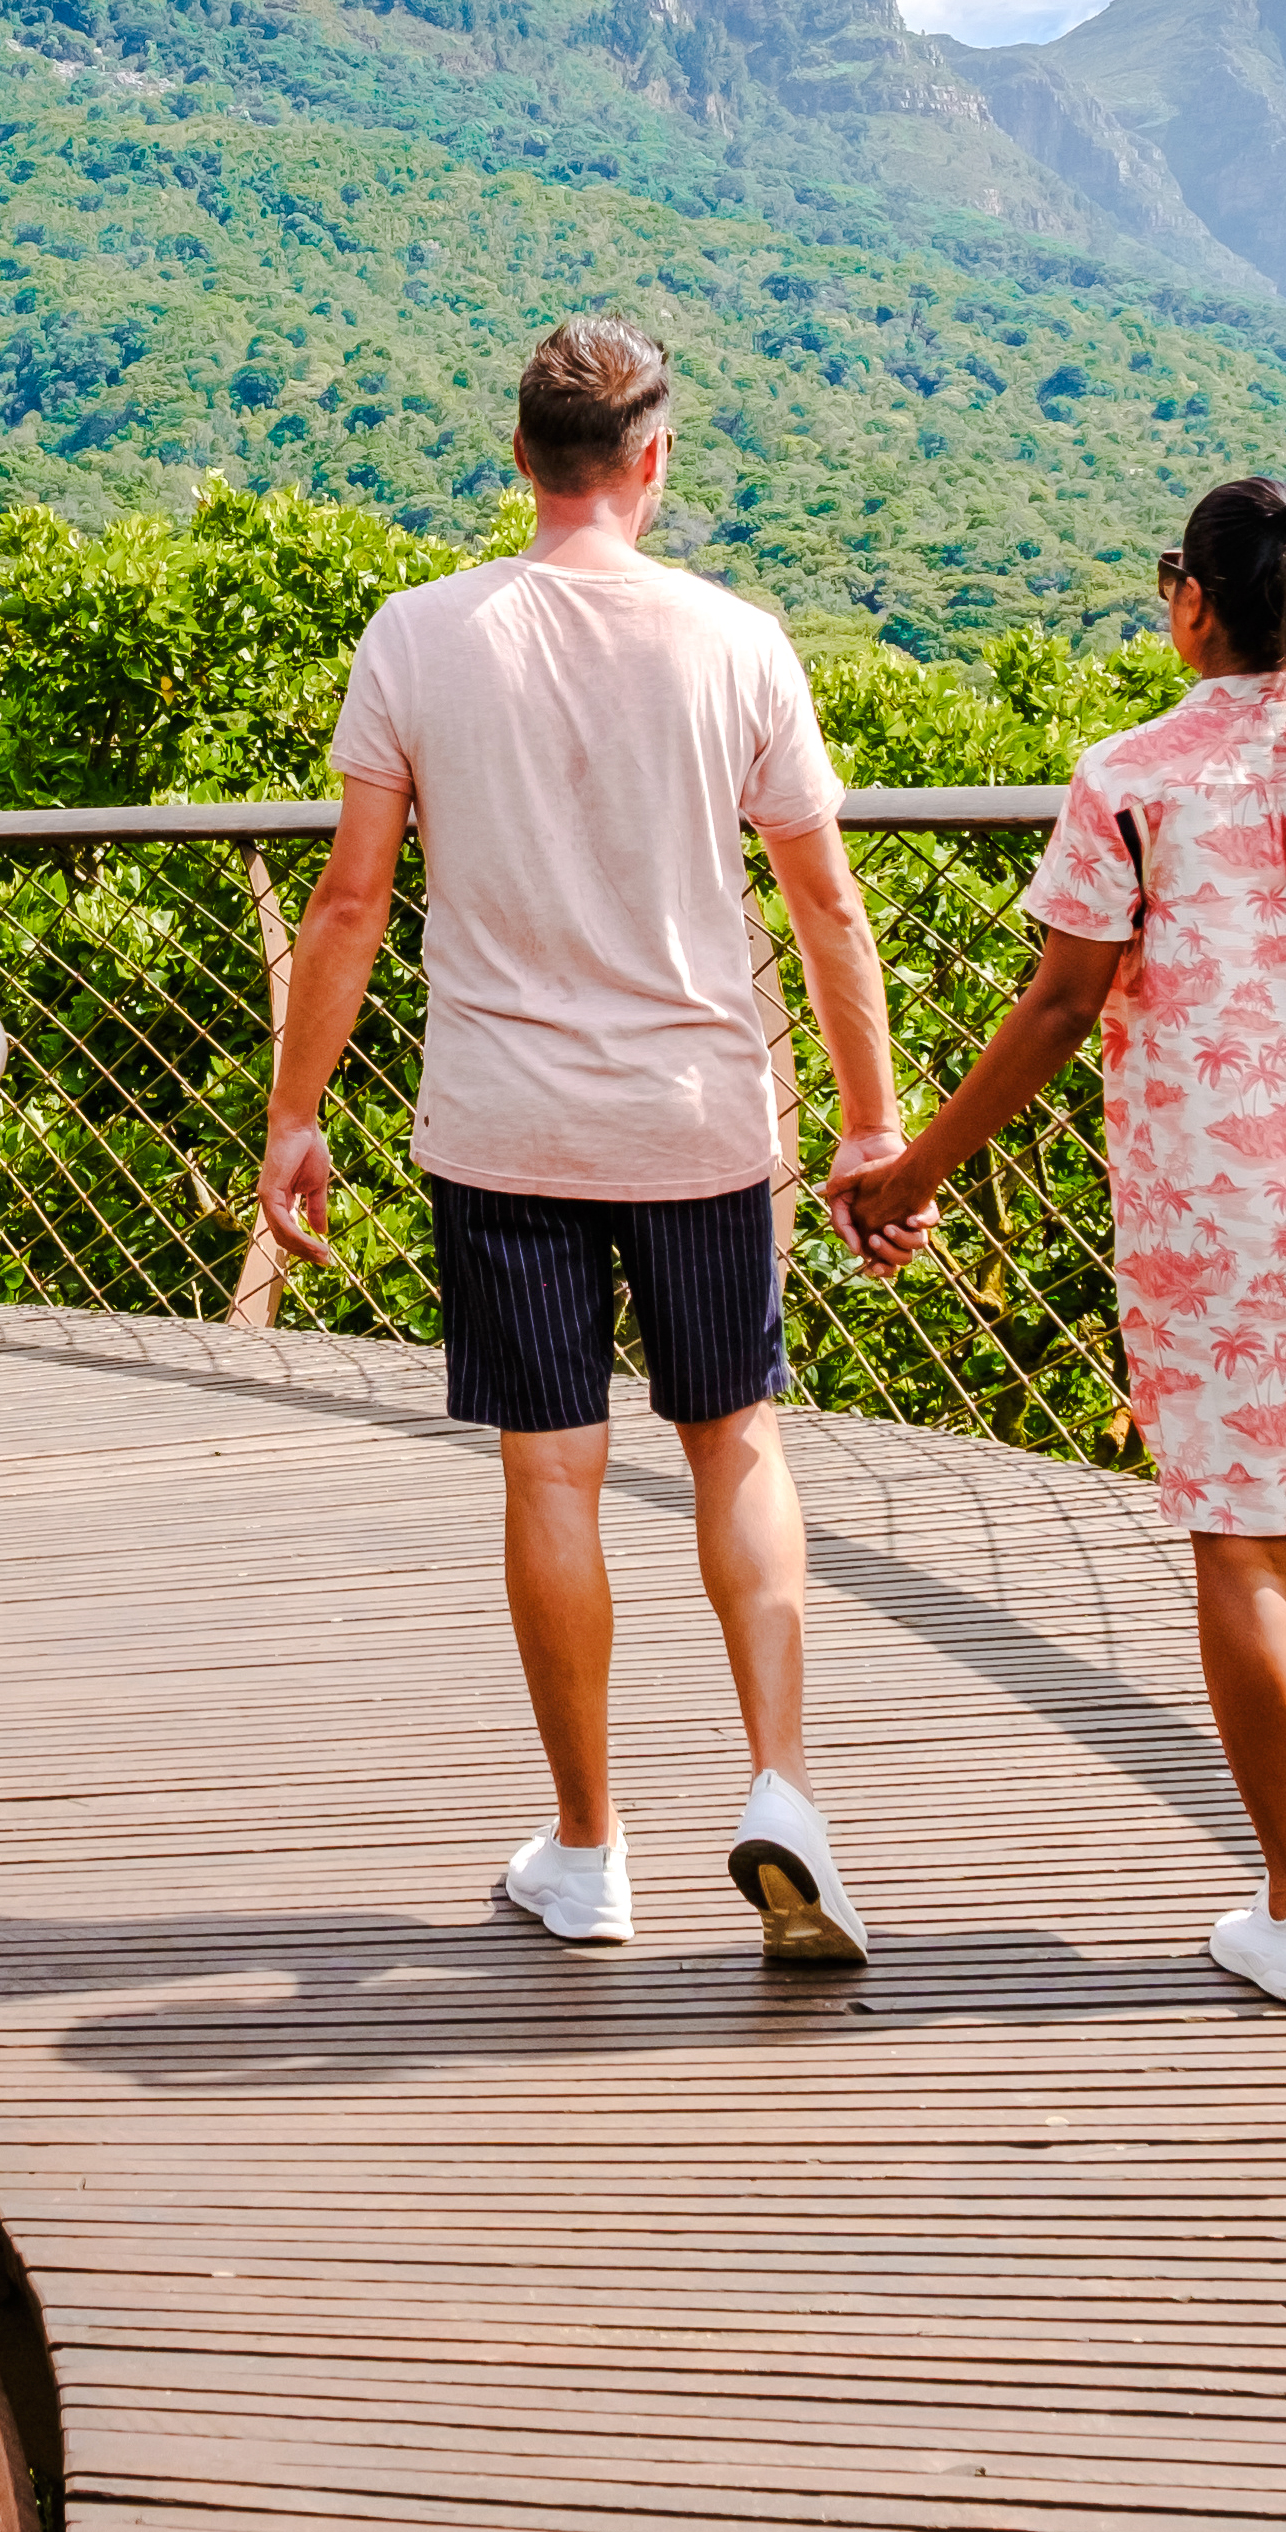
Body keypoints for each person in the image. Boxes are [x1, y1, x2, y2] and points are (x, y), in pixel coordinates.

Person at [255, 317, 911, 1964]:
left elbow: (349, 900)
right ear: (652, 459)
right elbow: (824, 901)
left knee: (553, 1471)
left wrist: (296, 1112)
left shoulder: (418, 634)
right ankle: (782, 1789)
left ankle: (589, 1847)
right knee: (737, 1444)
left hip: (506, 1127)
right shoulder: (736, 640)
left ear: (525, 461)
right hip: (697, 1121)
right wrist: (872, 1122)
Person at [837, 475, 1286, 2012]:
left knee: (1246, 1553)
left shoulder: (1129, 777)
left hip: (1221, 1227)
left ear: (1193, 600)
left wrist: (914, 1165)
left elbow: (1065, 1006)